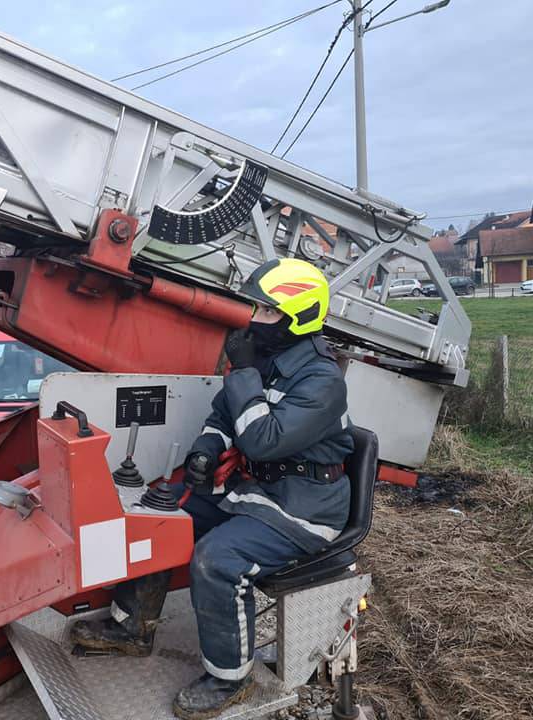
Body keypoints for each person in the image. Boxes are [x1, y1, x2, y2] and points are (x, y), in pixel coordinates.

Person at [70, 258, 353, 720]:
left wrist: (242, 374)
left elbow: (263, 441)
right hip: (256, 492)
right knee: (157, 514)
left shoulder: (322, 380)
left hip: (304, 508)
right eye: (256, 308)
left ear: (297, 315)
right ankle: (131, 626)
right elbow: (224, 416)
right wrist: (205, 449)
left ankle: (228, 678)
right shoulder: (266, 361)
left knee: (217, 561)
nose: (252, 319)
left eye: (265, 311)